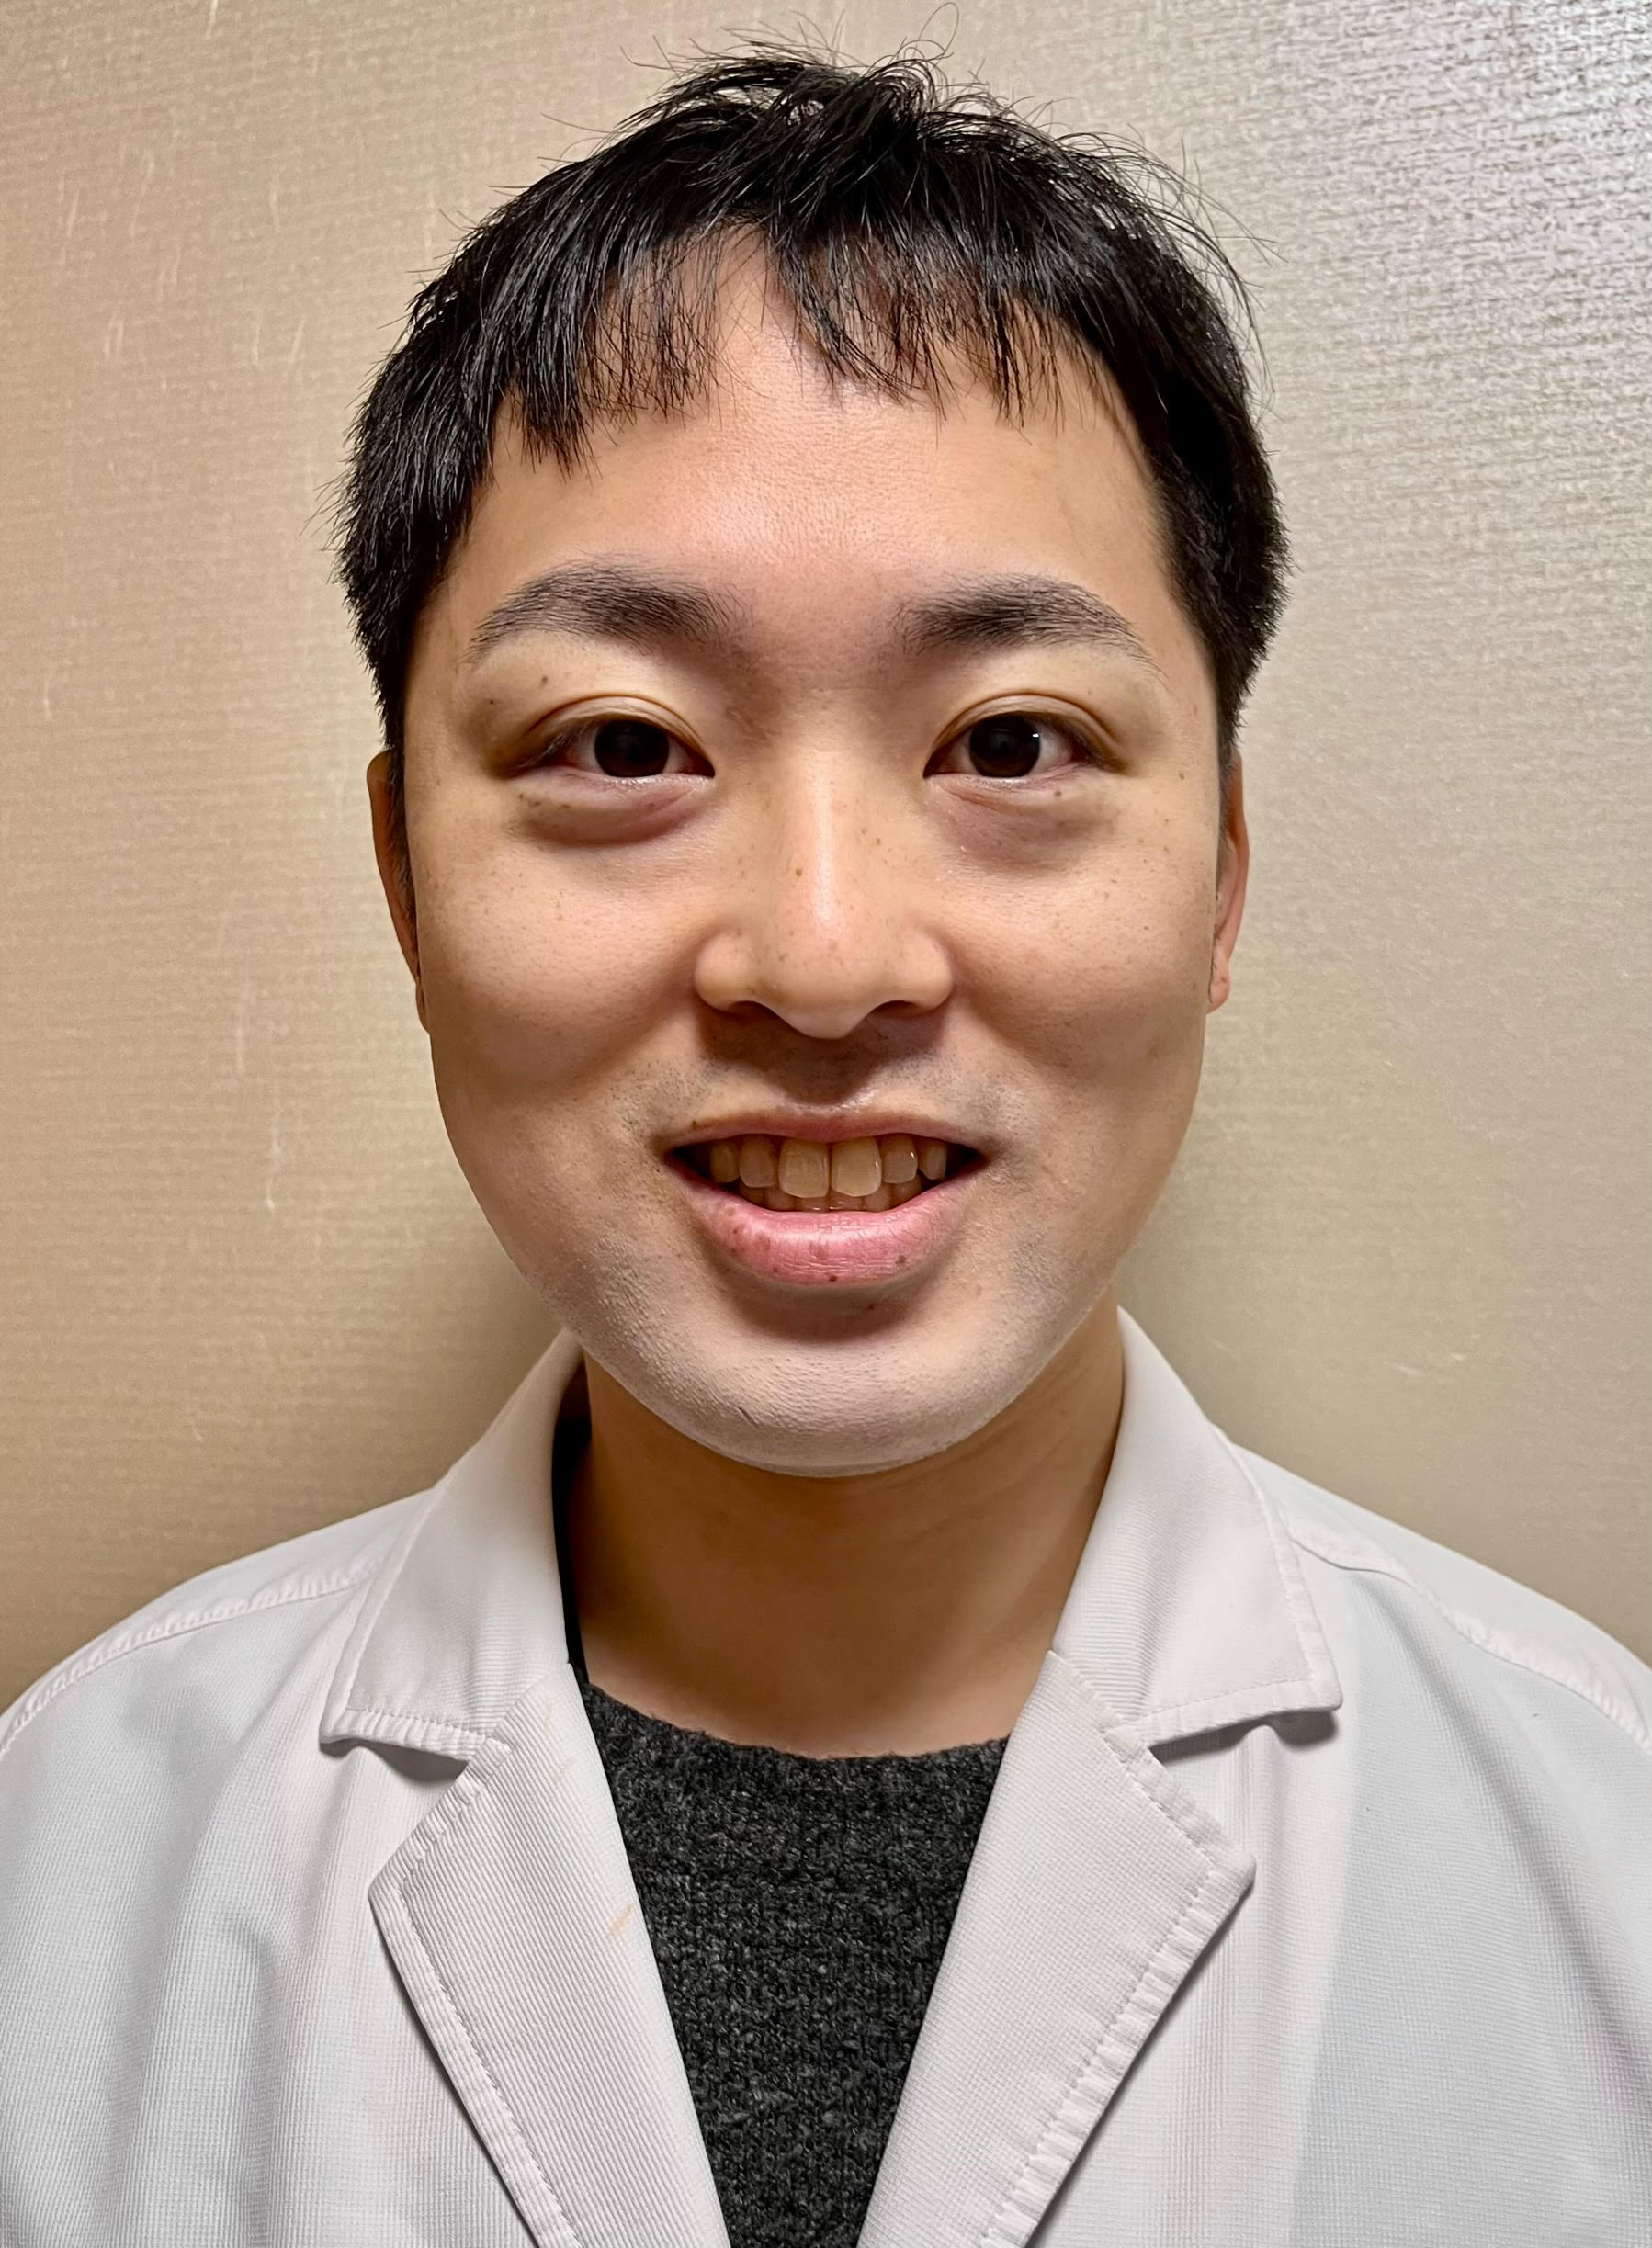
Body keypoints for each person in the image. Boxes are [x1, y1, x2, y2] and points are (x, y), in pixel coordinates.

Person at [1, 44, 1647, 2248]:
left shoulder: (1601, 1856)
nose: (822, 955)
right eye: (620, 745)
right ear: (401, 883)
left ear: (1222, 872)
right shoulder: (66, 1866)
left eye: (1009, 740)